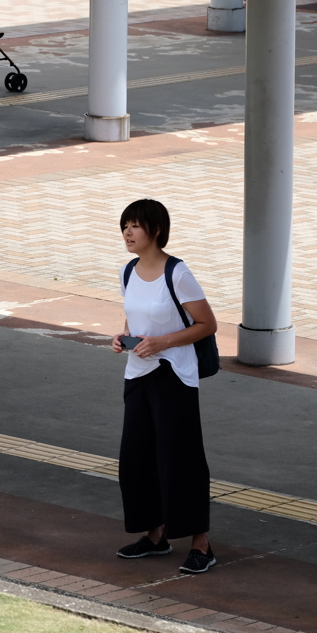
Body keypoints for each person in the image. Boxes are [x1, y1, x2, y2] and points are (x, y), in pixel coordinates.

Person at [110, 198, 219, 574]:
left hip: (173, 376)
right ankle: (155, 536)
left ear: (155, 231)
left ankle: (201, 545)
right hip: (137, 374)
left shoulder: (177, 273)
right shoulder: (128, 271)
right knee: (136, 459)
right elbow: (136, 317)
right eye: (125, 225)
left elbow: (207, 324)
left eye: (135, 226)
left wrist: (163, 343)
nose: (127, 232)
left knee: (180, 459)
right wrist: (125, 336)